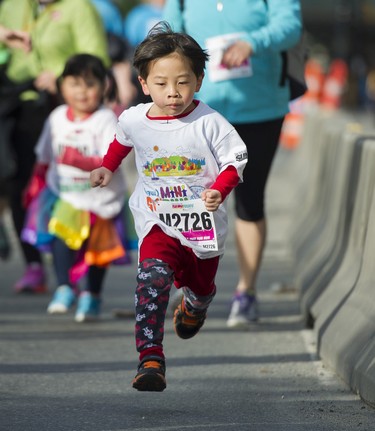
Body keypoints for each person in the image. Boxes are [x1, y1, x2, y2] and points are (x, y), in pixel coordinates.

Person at [90, 22, 248, 391]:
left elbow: (235, 160)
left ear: (199, 80)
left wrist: (218, 191)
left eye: (182, 82)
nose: (172, 93)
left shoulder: (209, 122)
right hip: (156, 219)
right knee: (152, 279)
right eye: (161, 84)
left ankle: (196, 303)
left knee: (201, 285)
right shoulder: (134, 118)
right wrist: (106, 167)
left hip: (201, 227)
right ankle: (150, 358)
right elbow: (121, 142)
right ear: (144, 84)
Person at [163, 0, 303, 328]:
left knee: (249, 201)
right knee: (188, 199)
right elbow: (166, 31)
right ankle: (188, 283)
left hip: (259, 109)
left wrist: (253, 42)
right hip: (197, 110)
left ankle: (246, 292)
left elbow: (290, 27)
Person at [0, 0, 110, 293]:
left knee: (71, 196)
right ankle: (34, 264)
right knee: (18, 185)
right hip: (14, 104)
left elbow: (97, 60)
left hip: (60, 107)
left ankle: (77, 274)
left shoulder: (78, 7)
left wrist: (60, 75)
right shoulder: (11, 5)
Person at [22, 53, 128, 322]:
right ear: (62, 86)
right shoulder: (56, 117)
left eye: (90, 84)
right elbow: (44, 157)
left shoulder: (105, 119)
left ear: (104, 86)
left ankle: (91, 296)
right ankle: (64, 287)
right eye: (74, 84)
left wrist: (80, 161)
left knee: (96, 251)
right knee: (60, 236)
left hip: (99, 199)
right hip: (66, 195)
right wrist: (35, 185)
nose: (82, 92)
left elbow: (110, 160)